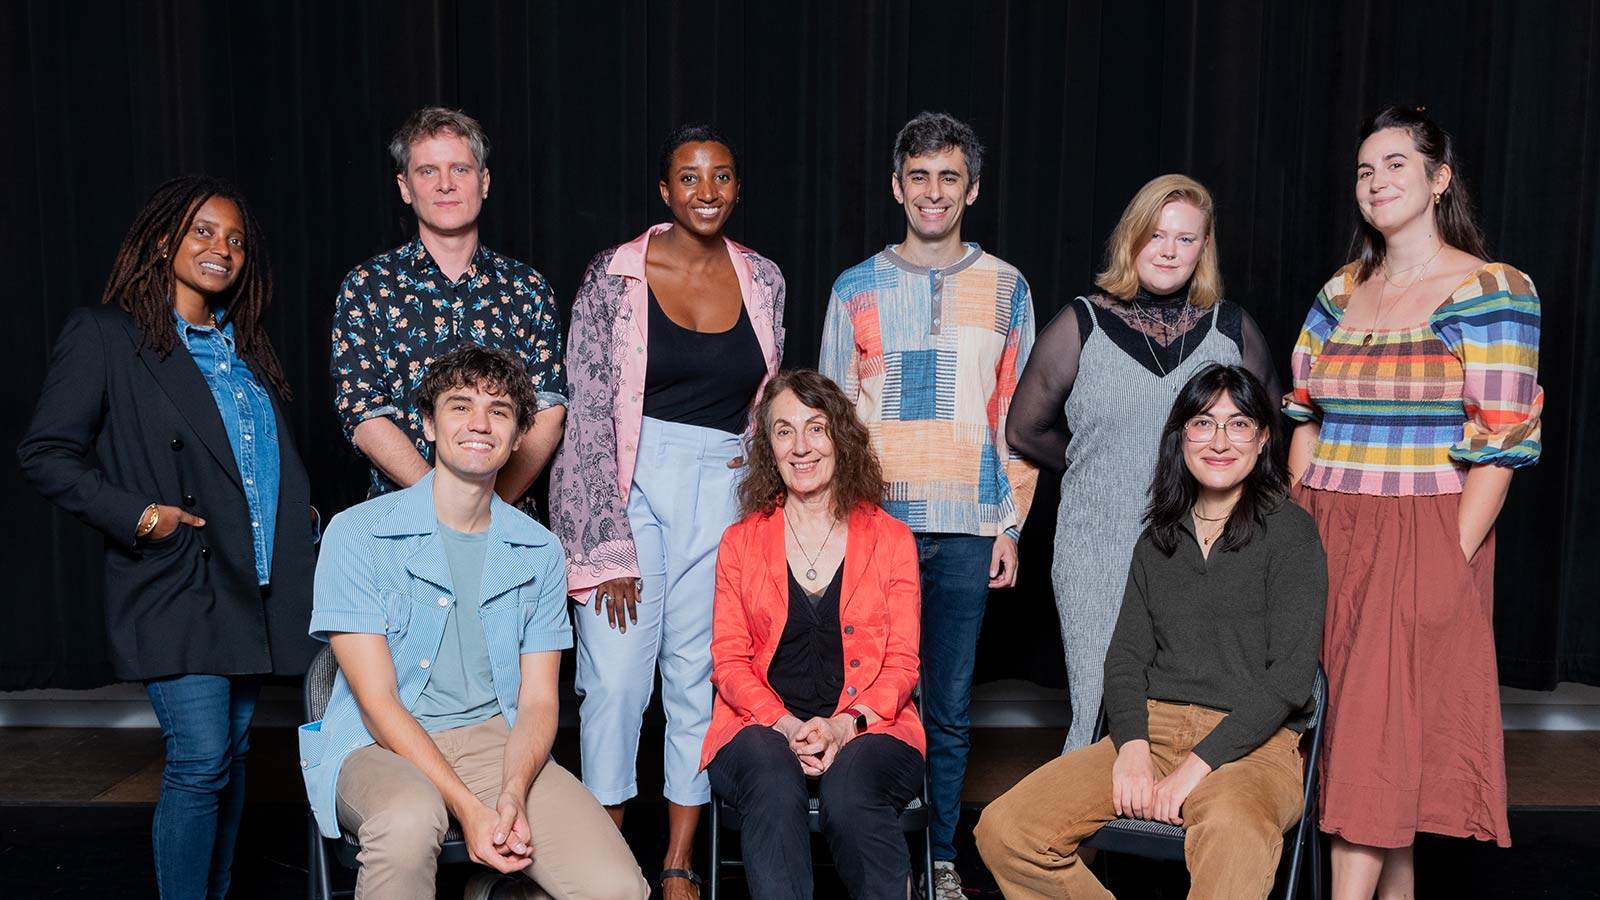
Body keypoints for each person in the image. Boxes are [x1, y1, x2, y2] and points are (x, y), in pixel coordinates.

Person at [18, 175, 317, 899]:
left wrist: (299, 516)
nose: (222, 249)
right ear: (161, 241)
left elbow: (251, 461)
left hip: (253, 581)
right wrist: (141, 517)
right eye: (202, 231)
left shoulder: (243, 350)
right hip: (178, 578)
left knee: (233, 757)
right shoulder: (108, 335)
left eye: (235, 239)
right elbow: (46, 453)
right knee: (201, 759)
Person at [1283, 105, 1543, 897]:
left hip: (1420, 530)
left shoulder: (1492, 290)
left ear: (1439, 179)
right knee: (1351, 743)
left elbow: (1500, 444)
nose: (1376, 181)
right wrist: (1289, 535)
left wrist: (1447, 560)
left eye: (1396, 164)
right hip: (1323, 523)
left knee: (1369, 747)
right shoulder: (1341, 291)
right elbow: (1304, 417)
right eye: (1365, 169)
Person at [300, 344, 649, 900]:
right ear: (428, 424)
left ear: (518, 436)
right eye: (460, 406)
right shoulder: (359, 534)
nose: (480, 424)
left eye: (500, 411)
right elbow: (378, 703)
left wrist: (512, 792)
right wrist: (469, 808)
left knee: (618, 890)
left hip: (496, 742)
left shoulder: (539, 550)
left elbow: (539, 701)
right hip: (380, 743)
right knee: (408, 822)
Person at [975, 364, 1326, 900]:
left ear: (1262, 440)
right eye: (1203, 423)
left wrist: (1195, 768)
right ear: (1181, 437)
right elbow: (1125, 659)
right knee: (1007, 830)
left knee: (1234, 835)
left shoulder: (1291, 532)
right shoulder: (1158, 537)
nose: (1220, 441)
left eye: (1238, 424)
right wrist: (1133, 748)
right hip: (1153, 731)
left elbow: (1291, 679)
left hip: (1255, 745)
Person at [548, 124, 786, 899]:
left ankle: (679, 861)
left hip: (726, 491)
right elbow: (586, 411)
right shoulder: (614, 274)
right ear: (664, 190)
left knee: (699, 677)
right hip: (631, 485)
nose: (706, 191)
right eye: (689, 177)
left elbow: (764, 408)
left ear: (737, 187)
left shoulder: (764, 278)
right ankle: (605, 861)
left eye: (722, 176)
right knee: (616, 681)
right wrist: (605, 541)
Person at [818, 110, 1037, 899]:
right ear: (896, 186)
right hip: (874, 529)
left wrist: (1009, 523)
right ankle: (880, 862)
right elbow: (831, 419)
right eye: (919, 176)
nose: (933, 191)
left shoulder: (1007, 288)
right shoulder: (855, 288)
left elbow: (1015, 418)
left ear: (972, 190)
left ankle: (941, 859)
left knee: (946, 708)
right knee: (868, 697)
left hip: (969, 527)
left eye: (949, 177)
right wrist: (829, 526)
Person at [1006, 174, 1283, 755]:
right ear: (1132, 238)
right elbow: (1024, 428)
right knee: (1100, 705)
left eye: (1185, 239)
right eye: (1156, 234)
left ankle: (1183, 811)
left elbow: (1269, 432)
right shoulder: (1080, 324)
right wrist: (1094, 464)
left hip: (1203, 549)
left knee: (1190, 708)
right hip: (1098, 549)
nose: (1168, 250)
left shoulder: (1230, 329)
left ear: (1203, 248)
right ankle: (1083, 813)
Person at [701, 370, 926, 900]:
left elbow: (902, 665)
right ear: (769, 448)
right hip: (760, 728)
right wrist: (787, 727)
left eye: (816, 428)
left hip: (870, 726)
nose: (801, 447)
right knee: (772, 777)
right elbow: (728, 660)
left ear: (840, 438)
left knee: (851, 792)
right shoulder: (740, 542)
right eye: (784, 431)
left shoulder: (892, 539)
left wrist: (843, 727)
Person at [330, 106, 566, 512]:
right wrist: (444, 506)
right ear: (405, 187)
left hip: (505, 521)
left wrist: (488, 509)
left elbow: (549, 409)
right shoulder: (367, 287)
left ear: (484, 181)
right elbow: (362, 412)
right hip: (401, 522)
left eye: (460, 169)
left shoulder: (527, 289)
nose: (445, 184)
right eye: (427, 171)